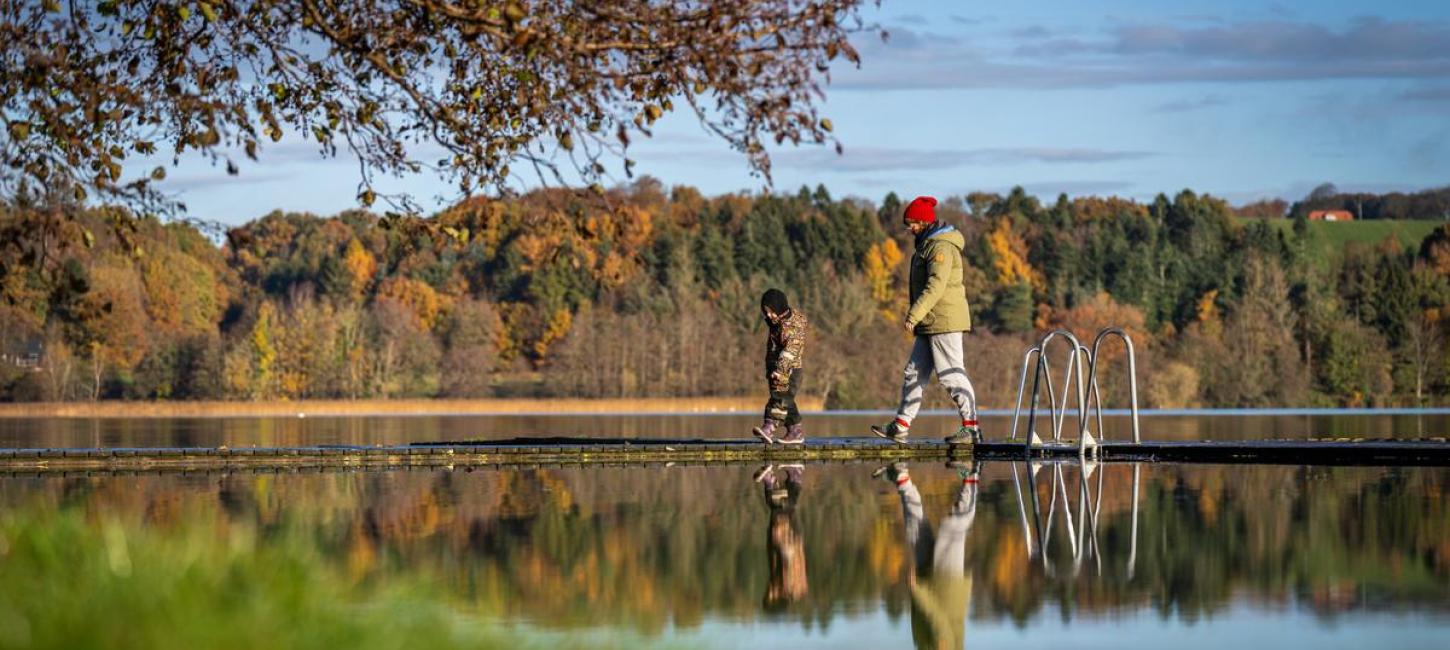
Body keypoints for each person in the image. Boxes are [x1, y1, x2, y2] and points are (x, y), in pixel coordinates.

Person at [872, 196, 982, 445]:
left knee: (951, 374)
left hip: (945, 320)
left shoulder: (940, 247)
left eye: (910, 223)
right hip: (930, 321)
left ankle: (971, 427)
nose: (908, 228)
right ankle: (900, 425)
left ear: (922, 222)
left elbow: (936, 286)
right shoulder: (926, 245)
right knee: (914, 372)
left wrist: (914, 315)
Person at [874, 461, 979, 649]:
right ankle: (971, 475)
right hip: (948, 584)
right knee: (953, 527)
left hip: (925, 580)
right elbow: (940, 624)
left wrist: (917, 592)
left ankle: (901, 478)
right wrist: (918, 591)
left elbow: (920, 622)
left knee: (915, 526)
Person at [754, 288, 809, 445]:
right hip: (776, 368)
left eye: (771, 311)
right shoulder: (776, 322)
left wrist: (780, 371)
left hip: (789, 370)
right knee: (787, 401)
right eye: (766, 312)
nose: (768, 315)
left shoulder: (793, 327)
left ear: (779, 308)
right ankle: (795, 431)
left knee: (779, 399)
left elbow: (790, 352)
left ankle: (769, 427)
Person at [754, 464, 809, 611]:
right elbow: (789, 559)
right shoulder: (788, 584)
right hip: (786, 538)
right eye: (769, 595)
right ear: (776, 597)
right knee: (779, 506)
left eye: (766, 594)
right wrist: (782, 542)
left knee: (779, 506)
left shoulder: (788, 586)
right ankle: (775, 479)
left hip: (787, 535)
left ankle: (791, 477)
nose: (767, 591)